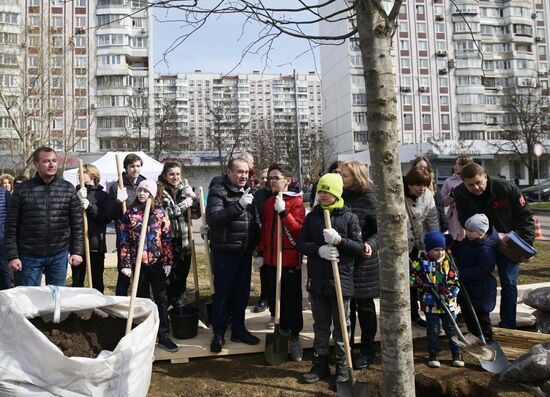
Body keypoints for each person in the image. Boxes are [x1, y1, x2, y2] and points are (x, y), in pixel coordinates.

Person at [297, 173, 363, 384]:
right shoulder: (313, 217)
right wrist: (319, 250)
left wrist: (340, 241)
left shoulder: (349, 217)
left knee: (343, 327)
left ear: (337, 193)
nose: (323, 195)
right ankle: (320, 365)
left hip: (341, 283)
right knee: (321, 326)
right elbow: (301, 244)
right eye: (321, 191)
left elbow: (359, 248)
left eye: (327, 191)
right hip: (318, 282)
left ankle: (343, 367)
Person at [453, 162, 535, 329]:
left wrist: (524, 245)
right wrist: (494, 237)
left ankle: (508, 325)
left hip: (509, 244)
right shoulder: (460, 193)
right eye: (470, 185)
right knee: (475, 281)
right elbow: (465, 220)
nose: (475, 187)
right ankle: (479, 324)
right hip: (481, 244)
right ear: (463, 183)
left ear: (485, 176)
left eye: (478, 182)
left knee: (509, 283)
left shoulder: (505, 188)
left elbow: (525, 217)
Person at [5, 147, 83, 286]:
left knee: (57, 298)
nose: (52, 164)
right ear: (36, 164)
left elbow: (77, 223)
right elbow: (11, 226)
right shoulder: (23, 190)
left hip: (58, 253)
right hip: (29, 255)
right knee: (29, 299)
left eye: (54, 160)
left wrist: (77, 251)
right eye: (46, 161)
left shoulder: (67, 188)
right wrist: (13, 256)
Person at [206, 158, 261, 353]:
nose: (244, 175)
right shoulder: (218, 191)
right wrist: (238, 205)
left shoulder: (250, 193)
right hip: (225, 252)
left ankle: (238, 328)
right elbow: (215, 219)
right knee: (223, 294)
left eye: (246, 172)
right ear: (229, 172)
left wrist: (257, 249)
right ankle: (218, 333)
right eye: (239, 172)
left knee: (242, 294)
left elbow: (254, 222)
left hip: (244, 252)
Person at [119, 179, 177, 352]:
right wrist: (126, 263)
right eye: (140, 190)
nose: (142, 193)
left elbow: (167, 240)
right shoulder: (130, 214)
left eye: (146, 191)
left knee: (161, 298)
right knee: (142, 299)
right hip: (139, 265)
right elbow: (124, 241)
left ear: (153, 194)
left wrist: (167, 261)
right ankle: (143, 335)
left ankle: (164, 334)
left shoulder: (160, 214)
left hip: (157, 262)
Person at [256, 163, 305, 361]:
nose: (272, 181)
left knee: (291, 300)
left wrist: (284, 212)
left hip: (289, 260)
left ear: (288, 180)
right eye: (270, 178)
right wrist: (260, 253)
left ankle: (295, 336)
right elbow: (265, 230)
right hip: (270, 260)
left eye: (276, 178)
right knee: (275, 299)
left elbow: (299, 231)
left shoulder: (296, 202)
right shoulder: (268, 203)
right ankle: (281, 329)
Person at [340, 160, 379, 370]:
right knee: (346, 308)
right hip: (344, 258)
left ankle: (367, 350)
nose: (340, 177)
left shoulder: (370, 198)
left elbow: (380, 229)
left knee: (364, 307)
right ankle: (347, 349)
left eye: (344, 175)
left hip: (365, 262)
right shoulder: (340, 195)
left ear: (356, 176)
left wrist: (370, 244)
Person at [409, 231, 463, 368]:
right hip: (430, 304)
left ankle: (457, 353)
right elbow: (411, 278)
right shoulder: (420, 263)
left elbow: (455, 282)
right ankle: (433, 354)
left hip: (447, 304)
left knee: (451, 329)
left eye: (442, 249)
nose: (440, 253)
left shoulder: (448, 263)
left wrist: (450, 293)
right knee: (433, 330)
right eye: (436, 250)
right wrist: (422, 284)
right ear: (428, 249)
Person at [157, 162, 201, 307]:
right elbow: (166, 213)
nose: (175, 177)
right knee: (168, 279)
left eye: (177, 174)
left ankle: (178, 308)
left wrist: (194, 199)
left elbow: (195, 214)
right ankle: (165, 307)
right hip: (167, 243)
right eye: (171, 174)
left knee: (182, 276)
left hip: (184, 241)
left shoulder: (184, 189)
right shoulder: (159, 190)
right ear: (165, 175)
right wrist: (185, 204)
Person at [404, 167, 440, 328]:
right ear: (409, 184)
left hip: (417, 245)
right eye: (417, 185)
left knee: (418, 281)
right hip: (399, 246)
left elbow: (432, 221)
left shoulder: (427, 196)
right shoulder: (397, 195)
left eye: (424, 185)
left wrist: (437, 245)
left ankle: (418, 313)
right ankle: (405, 314)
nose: (422, 188)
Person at [73, 164, 116, 293]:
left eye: (84, 172)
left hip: (95, 244)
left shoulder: (102, 196)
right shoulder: (75, 193)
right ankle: (76, 311)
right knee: (77, 281)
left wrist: (89, 206)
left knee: (97, 281)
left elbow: (104, 218)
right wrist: (77, 199)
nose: (80, 175)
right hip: (78, 245)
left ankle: (98, 311)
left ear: (92, 175)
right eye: (79, 172)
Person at [457, 214, 499, 340]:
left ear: (481, 233)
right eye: (467, 230)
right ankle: (474, 337)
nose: (467, 233)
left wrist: (462, 274)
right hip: (467, 288)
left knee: (481, 317)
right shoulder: (467, 243)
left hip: (481, 291)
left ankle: (486, 338)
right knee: (468, 315)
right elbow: (458, 250)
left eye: (471, 231)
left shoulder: (486, 250)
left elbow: (482, 270)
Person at [108, 153, 143, 296]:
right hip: (124, 239)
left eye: (138, 166)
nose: (135, 169)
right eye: (132, 166)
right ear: (126, 168)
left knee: (142, 277)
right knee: (124, 275)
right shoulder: (117, 187)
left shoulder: (144, 184)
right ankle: (120, 307)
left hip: (142, 236)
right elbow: (109, 214)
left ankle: (140, 305)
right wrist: (118, 201)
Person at [440, 155, 474, 249]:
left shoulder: (473, 180)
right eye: (455, 163)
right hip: (454, 219)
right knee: (455, 247)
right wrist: (451, 196)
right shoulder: (448, 181)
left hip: (471, 218)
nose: (456, 166)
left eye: (459, 164)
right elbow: (442, 203)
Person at [411, 156, 447, 233]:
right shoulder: (409, 185)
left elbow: (439, 207)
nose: (423, 170)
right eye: (420, 167)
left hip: (432, 223)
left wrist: (444, 226)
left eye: (425, 168)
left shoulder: (433, 187)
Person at [253, 167, 270, 314]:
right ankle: (264, 297)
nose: (265, 180)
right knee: (263, 272)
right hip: (260, 238)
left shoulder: (277, 194)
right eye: (262, 177)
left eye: (268, 177)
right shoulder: (257, 195)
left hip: (274, 238)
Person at [0, 186, 11, 290]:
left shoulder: (5, 194)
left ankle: (6, 294)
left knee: (3, 269)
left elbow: (11, 217)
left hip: (2, 239)